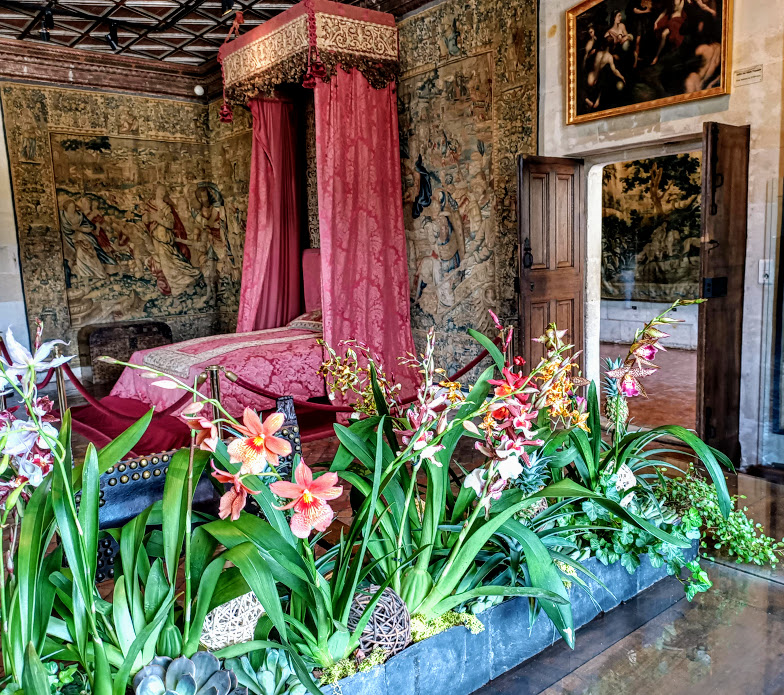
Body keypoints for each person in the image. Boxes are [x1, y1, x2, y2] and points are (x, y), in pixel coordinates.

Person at [143, 185, 202, 297]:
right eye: (160, 190)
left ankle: (179, 285)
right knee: (166, 262)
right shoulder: (150, 205)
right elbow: (145, 219)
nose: (161, 193)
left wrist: (158, 219)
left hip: (166, 239)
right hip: (156, 238)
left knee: (170, 261)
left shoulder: (166, 207)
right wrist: (148, 218)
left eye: (163, 191)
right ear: (155, 191)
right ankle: (177, 284)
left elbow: (170, 224)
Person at [585, 37, 626, 111]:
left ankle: (587, 99)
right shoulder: (609, 57)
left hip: (589, 77)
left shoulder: (597, 52)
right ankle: (598, 99)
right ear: (612, 46)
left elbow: (588, 59)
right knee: (606, 74)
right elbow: (614, 71)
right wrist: (622, 77)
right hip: (596, 82)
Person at [652, 0, 687, 65]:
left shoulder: (681, 4)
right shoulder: (670, 4)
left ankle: (677, 59)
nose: (674, 4)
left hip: (677, 24)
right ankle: (657, 56)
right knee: (663, 34)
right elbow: (664, 12)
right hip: (670, 23)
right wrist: (656, 22)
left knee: (675, 40)